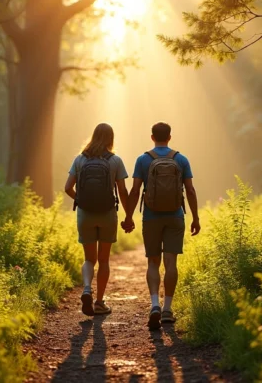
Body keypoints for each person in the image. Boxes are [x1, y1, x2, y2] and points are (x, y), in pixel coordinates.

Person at [124, 122, 200, 330]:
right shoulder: (181, 159)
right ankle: (167, 309)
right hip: (175, 216)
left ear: (152, 137)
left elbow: (135, 190)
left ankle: (155, 305)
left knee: (153, 262)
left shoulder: (143, 159)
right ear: (170, 137)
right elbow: (190, 191)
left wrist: (129, 216)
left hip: (151, 216)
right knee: (171, 262)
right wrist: (195, 217)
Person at [64, 123, 130, 316]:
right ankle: (99, 302)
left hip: (85, 214)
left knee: (89, 259)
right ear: (111, 139)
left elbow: (67, 187)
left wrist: (81, 199)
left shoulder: (80, 159)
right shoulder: (115, 160)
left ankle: (86, 289)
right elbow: (123, 191)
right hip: (108, 213)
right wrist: (127, 215)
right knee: (104, 260)